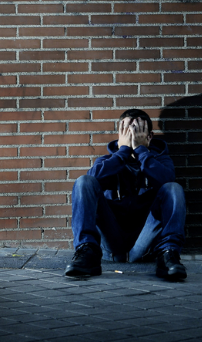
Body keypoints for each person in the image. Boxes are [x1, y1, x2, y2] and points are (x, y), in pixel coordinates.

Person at [65, 109, 187, 280]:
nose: (132, 137)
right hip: (111, 243)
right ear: (120, 135)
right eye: (127, 132)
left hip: (144, 243)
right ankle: (87, 253)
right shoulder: (107, 161)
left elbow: (167, 181)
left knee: (173, 188)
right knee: (84, 181)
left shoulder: (161, 160)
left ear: (149, 136)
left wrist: (141, 151)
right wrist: (122, 151)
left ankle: (168, 255)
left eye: (137, 132)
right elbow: (91, 181)